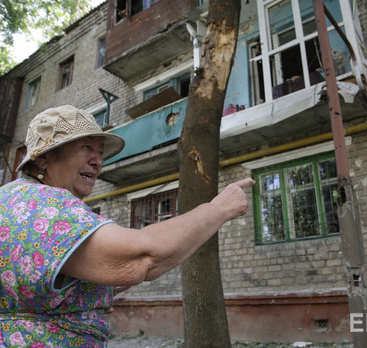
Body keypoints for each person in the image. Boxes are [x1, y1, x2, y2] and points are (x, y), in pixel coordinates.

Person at [0, 105, 255, 347]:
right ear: (44, 157)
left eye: (100, 152)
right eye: (86, 147)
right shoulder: (46, 206)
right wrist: (219, 209)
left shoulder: (11, 199)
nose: (97, 161)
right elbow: (143, 258)